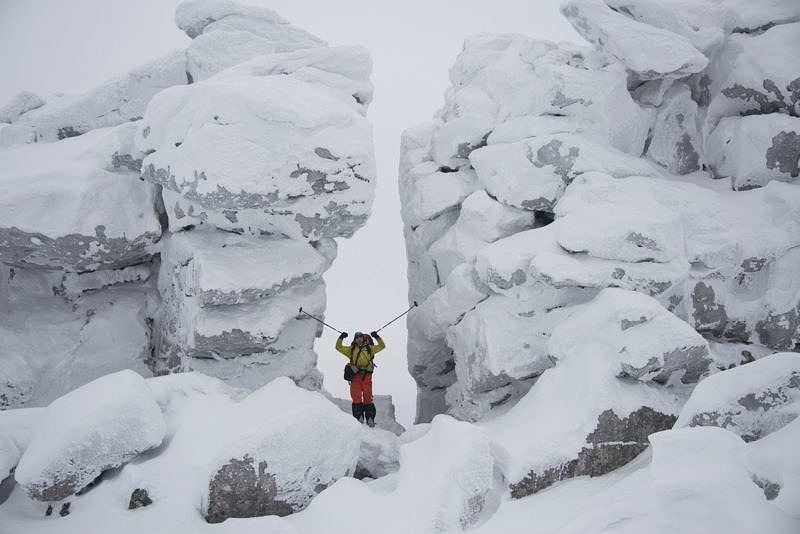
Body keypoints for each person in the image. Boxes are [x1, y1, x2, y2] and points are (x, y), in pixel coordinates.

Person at [336, 330, 385, 427]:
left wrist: (377, 337)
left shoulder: (369, 348)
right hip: (356, 376)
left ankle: (370, 418)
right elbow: (338, 347)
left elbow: (382, 346)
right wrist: (341, 338)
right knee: (356, 397)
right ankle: (359, 417)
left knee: (368, 397)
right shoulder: (352, 349)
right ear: (355, 340)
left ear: (363, 338)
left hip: (366, 375)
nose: (359, 339)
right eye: (357, 338)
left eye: (360, 337)